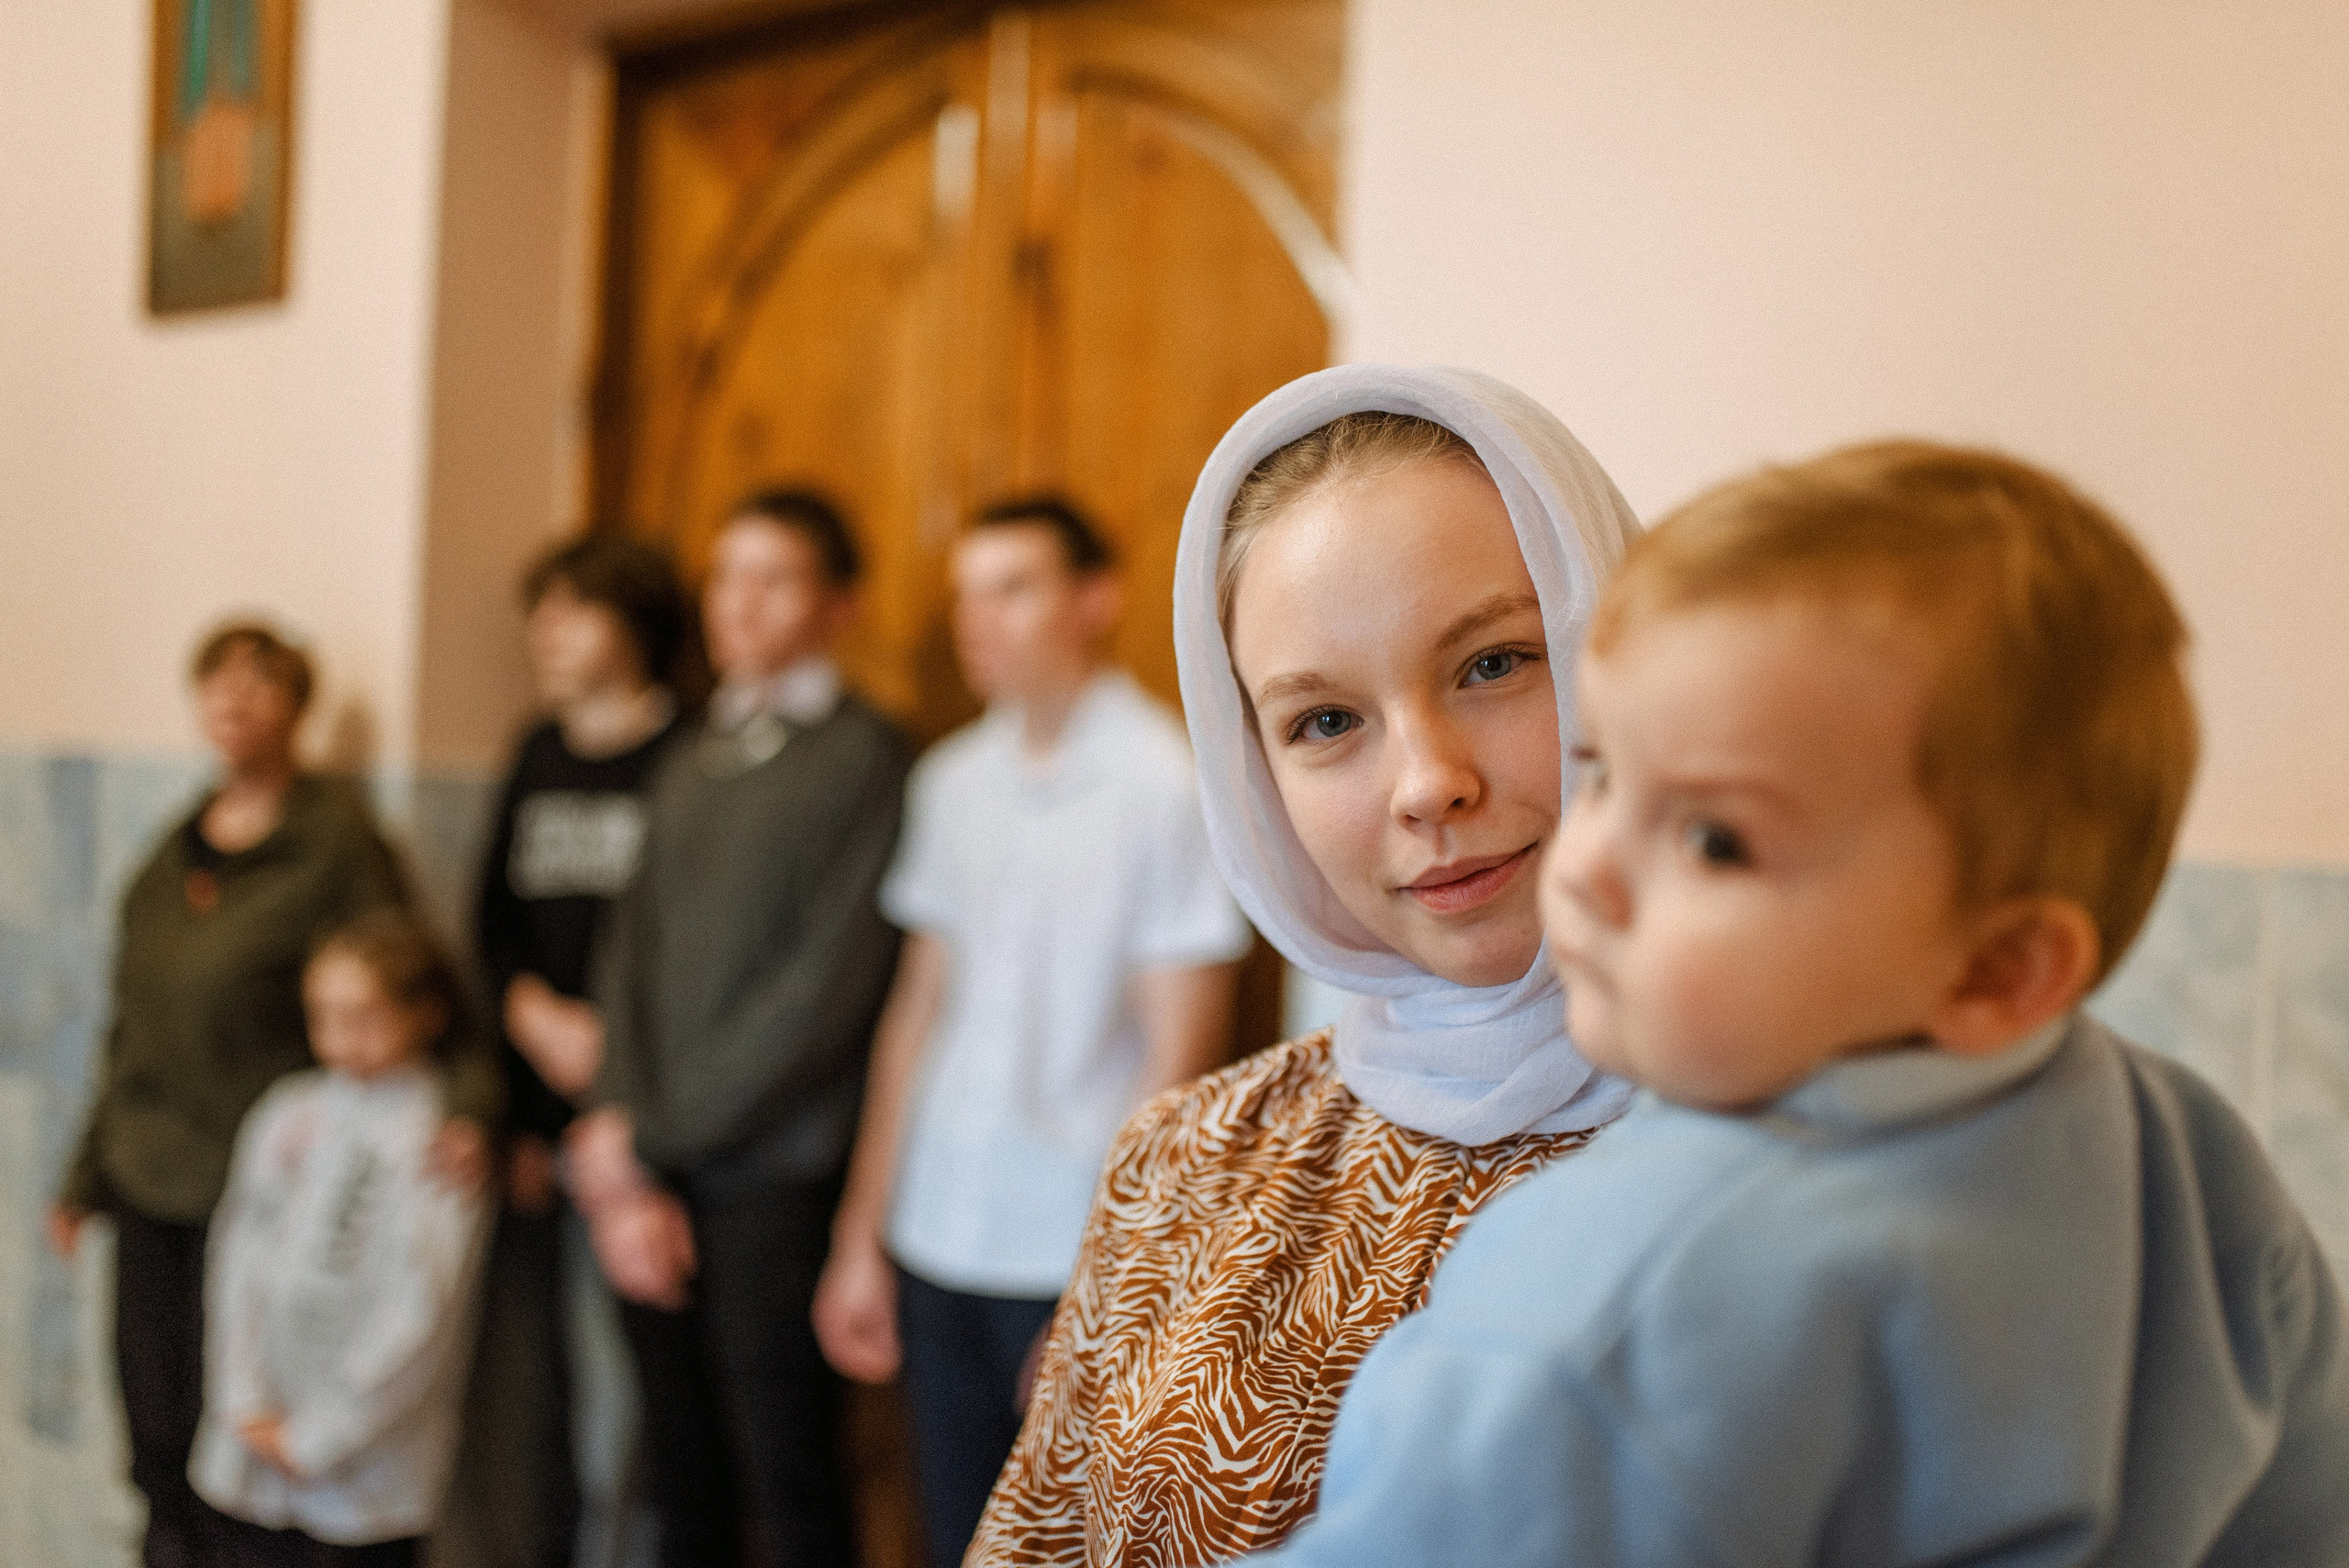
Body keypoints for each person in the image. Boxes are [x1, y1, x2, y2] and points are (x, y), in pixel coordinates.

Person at [1249, 442, 2349, 1567]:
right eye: (1607, 771)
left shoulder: (1617, 1298)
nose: (1587, 868)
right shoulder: (2184, 1152)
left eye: (1714, 839)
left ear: (1999, 971)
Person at [968, 366, 1641, 1567]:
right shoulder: (1183, 1159)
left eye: (1493, 662)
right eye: (1325, 722)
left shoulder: (1804, 1159)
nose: (1428, 782)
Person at [813, 495, 1252, 1566]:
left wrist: (1113, 1281)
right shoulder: (950, 779)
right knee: (950, 1533)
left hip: (1066, 1247)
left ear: (1094, 600)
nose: (979, 619)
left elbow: (1177, 1058)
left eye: (1012, 587)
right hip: (937, 1228)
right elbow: (916, 1012)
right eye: (966, 594)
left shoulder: (1165, 779)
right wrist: (860, 1232)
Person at [46, 623, 500, 1568]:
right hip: (147, 1171)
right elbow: (133, 1025)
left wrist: (469, 1103)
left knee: (241, 1442)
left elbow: (417, 987)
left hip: (259, 1180)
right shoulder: (177, 851)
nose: (232, 705)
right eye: (215, 684)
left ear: (296, 709)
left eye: (258, 687)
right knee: (156, 1427)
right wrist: (85, 1171)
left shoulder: (333, 845)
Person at [569, 489, 910, 1568]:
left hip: (772, 1183)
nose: (740, 603)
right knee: (683, 1483)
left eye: (774, 577)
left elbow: (822, 993)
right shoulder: (695, 753)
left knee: (790, 1480)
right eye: (725, 576)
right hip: (652, 1178)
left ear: (839, 604)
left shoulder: (864, 757)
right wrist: (622, 1140)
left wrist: (652, 1140)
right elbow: (629, 955)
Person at [439, 533, 688, 1568]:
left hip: (645, 1140)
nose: (545, 634)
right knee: (533, 1414)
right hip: (537, 1137)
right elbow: (491, 925)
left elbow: (691, 949)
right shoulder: (536, 749)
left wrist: (609, 1056)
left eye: (572, 610)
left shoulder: (689, 755)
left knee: (625, 1428)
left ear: (634, 624)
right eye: (539, 613)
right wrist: (528, 1020)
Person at [192, 910, 494, 1568]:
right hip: (253, 1435)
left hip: (368, 1470)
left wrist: (319, 1434)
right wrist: (241, 1395)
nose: (340, 1039)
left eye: (364, 1016)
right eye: (322, 1015)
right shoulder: (288, 1111)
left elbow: (423, 1311)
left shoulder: (441, 1139)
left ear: (425, 1012)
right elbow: (238, 1255)